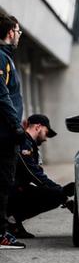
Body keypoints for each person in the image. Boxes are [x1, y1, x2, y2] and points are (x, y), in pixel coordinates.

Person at [8, 114, 74, 238]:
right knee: (54, 195)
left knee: (55, 194)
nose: (45, 139)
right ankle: (10, 221)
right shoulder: (23, 143)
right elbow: (33, 174)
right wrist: (61, 192)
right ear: (38, 127)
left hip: (14, 189)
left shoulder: (30, 145)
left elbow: (37, 174)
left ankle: (13, 222)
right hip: (8, 191)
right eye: (46, 132)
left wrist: (62, 194)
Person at [0, 14, 26, 249]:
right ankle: (1, 235)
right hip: (4, 135)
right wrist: (17, 128)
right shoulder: (1, 59)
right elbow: (2, 96)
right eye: (18, 32)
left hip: (5, 132)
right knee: (2, 183)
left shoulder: (5, 58)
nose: (19, 36)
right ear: (10, 33)